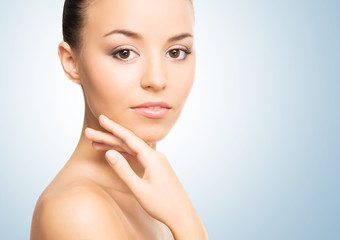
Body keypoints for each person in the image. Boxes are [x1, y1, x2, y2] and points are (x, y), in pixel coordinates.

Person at [30, 0, 208, 239]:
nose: (156, 79)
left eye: (176, 52)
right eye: (124, 53)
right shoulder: (77, 211)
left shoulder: (159, 198)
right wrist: (187, 223)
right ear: (72, 63)